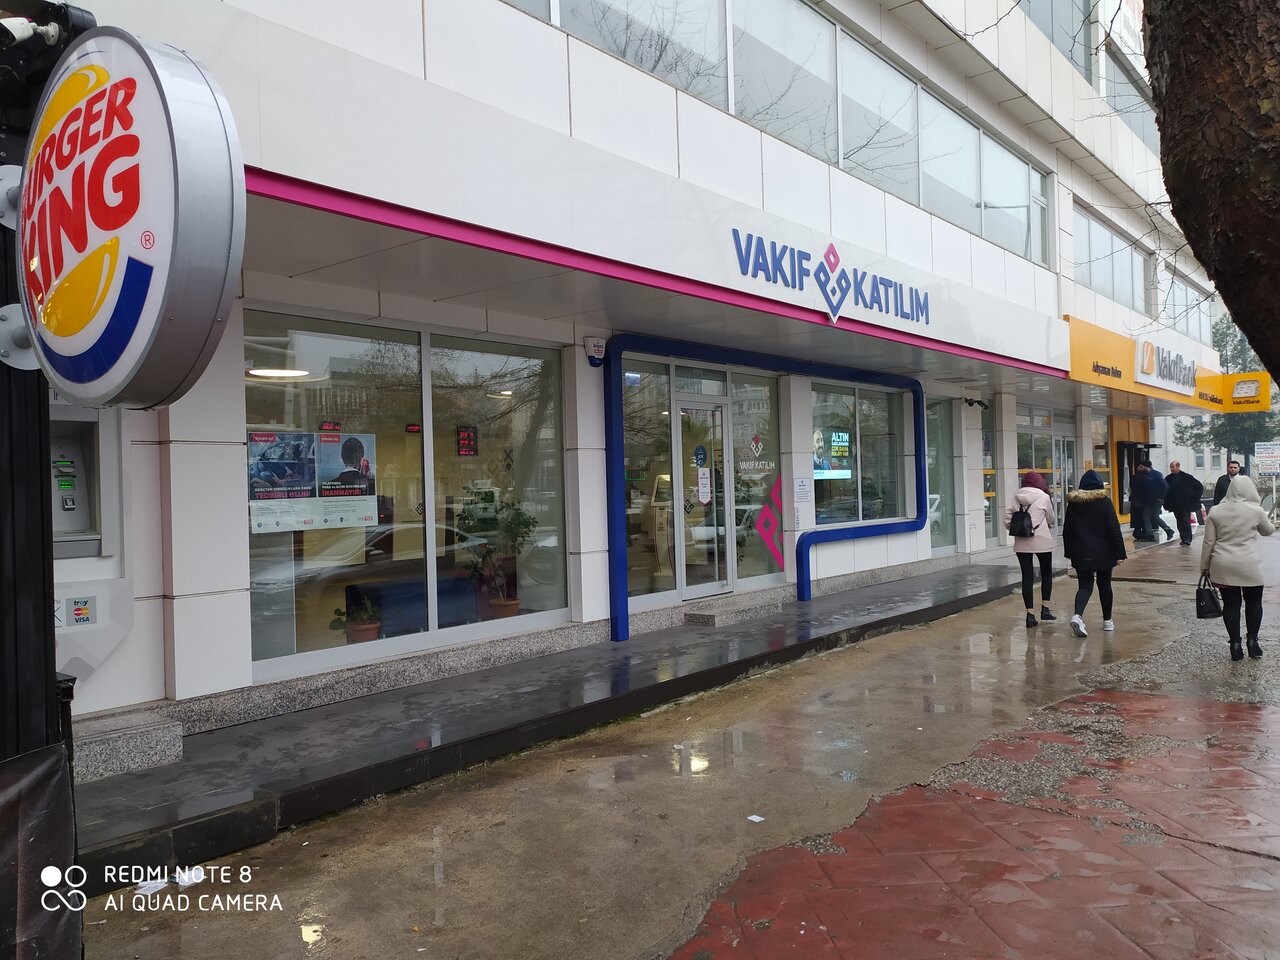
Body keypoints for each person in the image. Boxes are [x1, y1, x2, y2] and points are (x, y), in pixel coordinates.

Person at [1202, 475, 1274, 660]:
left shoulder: (1216, 511)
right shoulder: (1255, 511)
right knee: (1254, 602)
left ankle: (1235, 645)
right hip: (1249, 564)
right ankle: (1253, 642)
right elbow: (1268, 531)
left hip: (1223, 564)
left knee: (1231, 605)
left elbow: (1209, 542)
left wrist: (1205, 567)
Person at [1062, 470, 1126, 637]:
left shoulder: (1073, 504)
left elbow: (1067, 530)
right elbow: (1114, 528)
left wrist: (1069, 552)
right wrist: (1120, 553)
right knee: (1105, 585)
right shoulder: (1104, 502)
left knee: (1084, 586)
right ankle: (1107, 621)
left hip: (1080, 551)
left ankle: (1077, 616)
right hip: (1104, 552)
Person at [1004, 471, 1056, 628]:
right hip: (1042, 541)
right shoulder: (1044, 497)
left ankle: (1030, 615)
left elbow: (1007, 520)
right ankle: (1045, 609)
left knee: (1027, 577)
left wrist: (1020, 529)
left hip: (1021, 542)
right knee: (1046, 574)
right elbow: (1051, 518)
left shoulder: (1015, 497)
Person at [1165, 461, 1205, 546]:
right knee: (1179, 521)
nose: (1171, 469)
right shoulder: (1168, 478)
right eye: (1170, 467)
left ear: (1178, 467)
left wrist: (1195, 497)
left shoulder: (1187, 477)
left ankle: (1187, 539)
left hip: (1185, 504)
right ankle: (1183, 538)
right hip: (1175, 504)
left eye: (1173, 467)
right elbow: (1165, 491)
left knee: (1185, 520)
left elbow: (1199, 486)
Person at [1132, 460, 1174, 542]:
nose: (1139, 468)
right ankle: (1155, 533)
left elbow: (1165, 486)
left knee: (1152, 517)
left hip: (1156, 500)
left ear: (1145, 466)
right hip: (1147, 500)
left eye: (1141, 466)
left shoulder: (1155, 474)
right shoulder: (1143, 474)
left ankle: (1162, 531)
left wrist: (1161, 497)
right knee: (1148, 517)